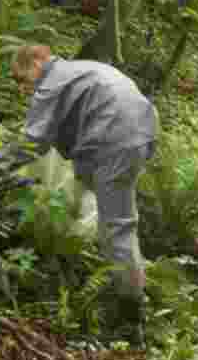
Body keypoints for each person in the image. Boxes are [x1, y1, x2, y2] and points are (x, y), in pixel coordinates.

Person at [8, 43, 159, 342]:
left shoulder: (51, 83)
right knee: (114, 217)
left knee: (116, 229)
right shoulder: (80, 71)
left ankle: (131, 317)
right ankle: (124, 277)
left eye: (22, 79)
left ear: (37, 62)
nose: (23, 89)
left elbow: (31, 142)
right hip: (139, 135)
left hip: (114, 141)